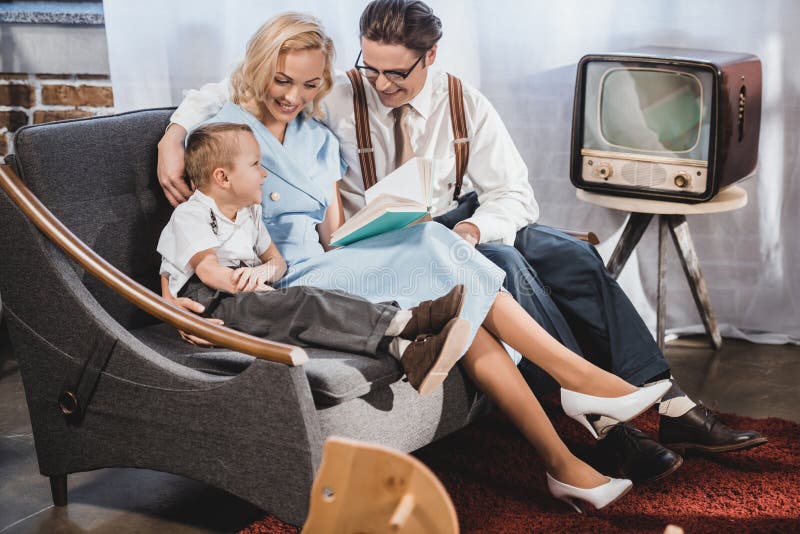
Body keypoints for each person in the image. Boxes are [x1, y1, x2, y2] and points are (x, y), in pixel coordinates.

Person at [157, 1, 767, 482]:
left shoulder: (458, 103)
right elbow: (234, 93)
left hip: (457, 221)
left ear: (430, 57)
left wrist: (471, 228)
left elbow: (515, 196)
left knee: (568, 255)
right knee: (494, 261)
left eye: (396, 72)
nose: (381, 83)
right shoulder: (328, 95)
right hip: (379, 241)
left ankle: (659, 402)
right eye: (371, 68)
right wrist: (175, 132)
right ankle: (601, 409)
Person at [157, 121, 472, 395]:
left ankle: (407, 353)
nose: (264, 174)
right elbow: (209, 272)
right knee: (303, 301)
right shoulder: (192, 214)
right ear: (222, 177)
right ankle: (411, 320)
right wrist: (255, 287)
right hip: (212, 302)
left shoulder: (249, 212)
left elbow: (278, 265)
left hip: (242, 291)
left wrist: (264, 272)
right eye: (255, 165)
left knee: (320, 305)